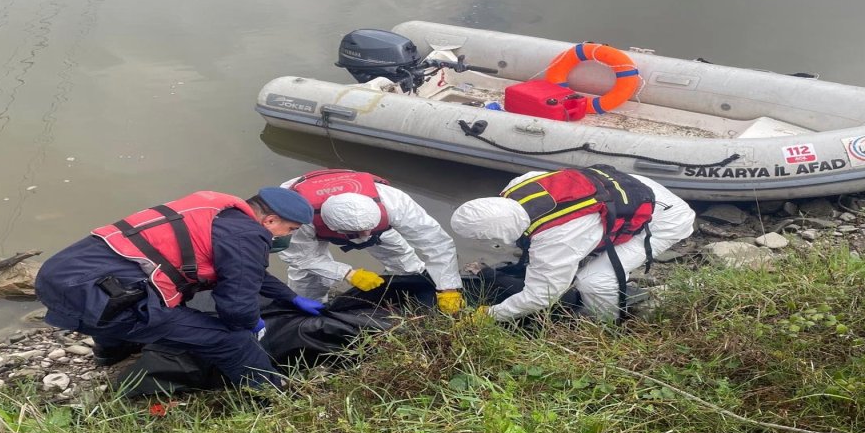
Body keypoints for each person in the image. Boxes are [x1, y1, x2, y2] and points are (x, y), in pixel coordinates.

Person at [34, 188, 327, 388]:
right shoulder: (249, 235)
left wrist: (290, 297)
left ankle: (109, 356)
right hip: (98, 295)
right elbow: (235, 307)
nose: (287, 237)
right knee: (231, 341)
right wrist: (251, 324)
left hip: (61, 275)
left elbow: (246, 273)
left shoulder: (217, 210)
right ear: (270, 220)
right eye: (289, 230)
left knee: (118, 306)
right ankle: (270, 395)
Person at [449, 165, 695, 322]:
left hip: (663, 218)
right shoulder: (518, 186)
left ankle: (602, 325)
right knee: (571, 265)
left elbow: (541, 297)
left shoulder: (557, 239)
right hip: (628, 188)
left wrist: (489, 314)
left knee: (594, 281)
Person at [279, 169, 465, 314]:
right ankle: (311, 311)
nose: (366, 235)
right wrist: (347, 273)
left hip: (372, 219)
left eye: (369, 229)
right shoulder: (297, 216)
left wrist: (448, 287)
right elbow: (300, 258)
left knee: (402, 258)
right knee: (308, 277)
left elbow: (435, 243)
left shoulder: (394, 202)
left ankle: (409, 288)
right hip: (312, 218)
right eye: (358, 233)